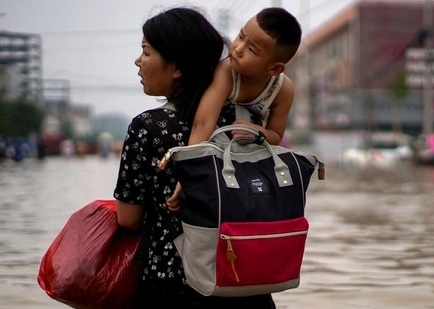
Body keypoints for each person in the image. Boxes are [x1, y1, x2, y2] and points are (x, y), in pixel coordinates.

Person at [113, 7, 276, 309]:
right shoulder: (247, 120)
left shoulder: (148, 126)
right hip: (247, 285)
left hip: (174, 285)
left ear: (176, 66)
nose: (138, 62)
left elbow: (128, 218)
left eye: (146, 52)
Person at [188, 7, 302, 146]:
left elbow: (276, 135)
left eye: (251, 49)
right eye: (241, 36)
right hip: (213, 145)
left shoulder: (282, 90)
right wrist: (190, 164)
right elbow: (203, 124)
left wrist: (257, 132)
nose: (237, 48)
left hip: (247, 156)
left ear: (274, 68)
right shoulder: (226, 71)